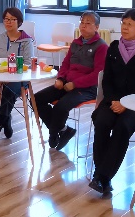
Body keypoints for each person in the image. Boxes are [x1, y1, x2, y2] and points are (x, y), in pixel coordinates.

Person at [89, 9, 135, 198]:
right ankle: (103, 177)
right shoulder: (113, 47)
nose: (125, 28)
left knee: (122, 127)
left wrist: (126, 104)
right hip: (112, 100)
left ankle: (101, 176)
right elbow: (107, 80)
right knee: (102, 122)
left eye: (130, 24)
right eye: (123, 23)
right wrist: (113, 100)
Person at [36, 11, 107, 151]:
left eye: (88, 23)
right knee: (36, 98)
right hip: (67, 83)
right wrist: (60, 78)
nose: (83, 26)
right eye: (82, 22)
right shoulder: (75, 43)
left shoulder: (101, 46)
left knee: (60, 107)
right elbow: (65, 64)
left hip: (87, 89)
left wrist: (75, 84)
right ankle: (63, 130)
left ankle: (53, 133)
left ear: (96, 27)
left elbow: (98, 75)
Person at [0, 7, 36, 141]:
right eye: (6, 19)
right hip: (0, 76)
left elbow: (28, 64)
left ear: (19, 22)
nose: (9, 22)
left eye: (12, 19)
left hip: (20, 78)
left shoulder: (27, 40)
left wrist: (11, 76)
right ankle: (6, 118)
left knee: (8, 91)